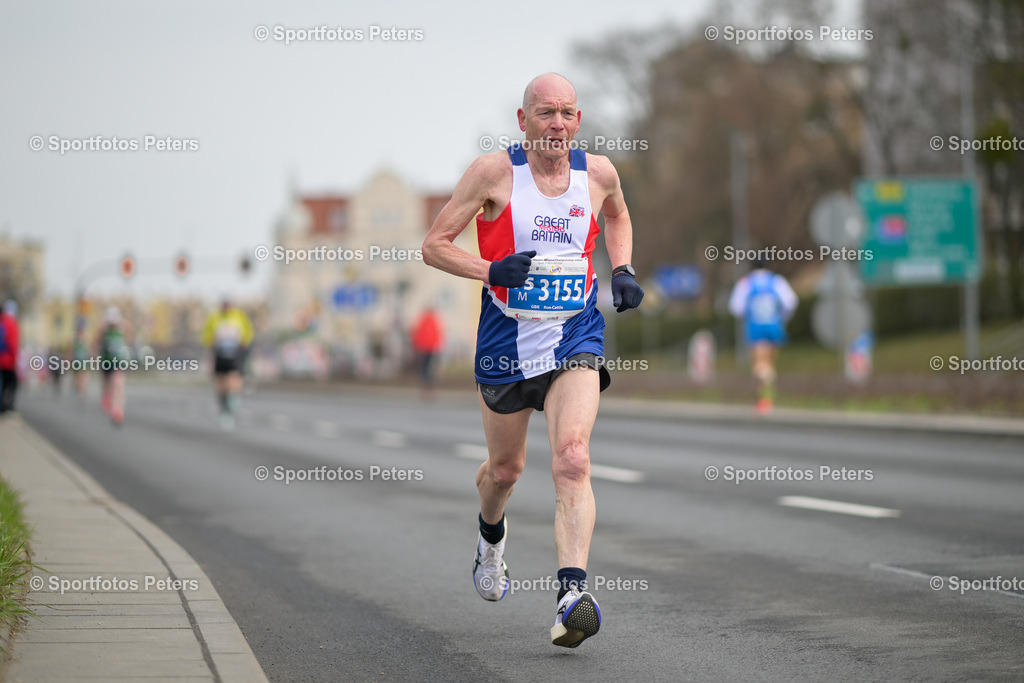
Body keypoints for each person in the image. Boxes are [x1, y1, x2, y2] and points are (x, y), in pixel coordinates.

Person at [422, 73, 644, 648]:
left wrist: (622, 269)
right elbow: (435, 244)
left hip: (575, 334)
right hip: (505, 339)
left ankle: (571, 593)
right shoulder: (495, 174)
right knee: (505, 472)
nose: (558, 124)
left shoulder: (598, 174)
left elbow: (617, 214)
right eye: (545, 113)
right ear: (523, 121)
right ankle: (490, 539)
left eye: (567, 113)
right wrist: (488, 270)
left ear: (579, 120)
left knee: (572, 458)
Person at [728, 256, 798, 413]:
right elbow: (791, 302)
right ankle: (768, 397)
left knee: (761, 365)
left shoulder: (746, 282)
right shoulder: (777, 281)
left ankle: (765, 400)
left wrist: (748, 314)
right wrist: (782, 317)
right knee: (770, 364)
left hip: (755, 327)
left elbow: (735, 307)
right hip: (774, 326)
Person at [201, 297, 254, 430]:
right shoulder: (214, 317)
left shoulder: (239, 315)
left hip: (234, 354)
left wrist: (244, 342)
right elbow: (206, 335)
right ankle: (224, 407)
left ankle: (233, 398)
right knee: (220, 382)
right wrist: (211, 341)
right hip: (219, 354)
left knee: (235, 378)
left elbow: (248, 331)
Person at [97, 306, 132, 425]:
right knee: (107, 383)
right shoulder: (103, 330)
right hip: (107, 361)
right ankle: (106, 396)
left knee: (119, 383)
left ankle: (118, 410)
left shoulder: (122, 328)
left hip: (119, 361)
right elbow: (96, 342)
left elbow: (130, 336)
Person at [410, 307, 445, 399]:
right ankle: (428, 386)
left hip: (426, 347)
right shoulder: (431, 320)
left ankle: (426, 386)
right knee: (428, 368)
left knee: (425, 368)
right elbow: (436, 334)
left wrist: (417, 345)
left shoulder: (425, 320)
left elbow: (418, 333)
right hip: (429, 348)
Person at [0, 300, 20, 414]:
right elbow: (13, 344)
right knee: (13, 383)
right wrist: (15, 361)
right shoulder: (11, 323)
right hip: (7, 360)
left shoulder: (1, 320)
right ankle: (7, 405)